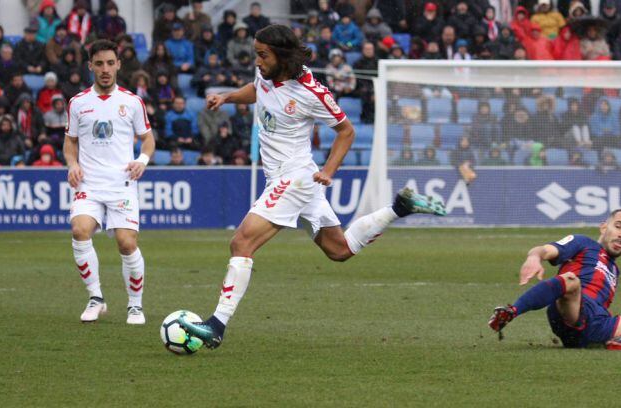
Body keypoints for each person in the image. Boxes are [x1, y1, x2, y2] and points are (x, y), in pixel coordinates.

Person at [177, 25, 446, 349]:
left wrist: (329, 169)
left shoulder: (312, 92)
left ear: (282, 55)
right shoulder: (266, 72)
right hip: (289, 179)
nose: (258, 61)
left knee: (241, 243)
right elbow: (258, 89)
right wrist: (229, 97)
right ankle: (399, 207)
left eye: (263, 55)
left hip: (295, 179)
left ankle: (216, 325)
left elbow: (345, 130)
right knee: (339, 250)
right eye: (256, 54)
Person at [488, 208, 621, 351]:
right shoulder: (583, 243)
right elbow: (545, 250)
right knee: (571, 280)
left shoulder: (614, 269)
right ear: (604, 227)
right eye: (618, 226)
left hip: (599, 325)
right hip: (571, 311)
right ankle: (511, 312)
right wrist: (534, 257)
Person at [63, 39, 155, 325]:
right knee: (80, 230)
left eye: (110, 63)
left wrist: (142, 160)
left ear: (118, 65)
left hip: (121, 184)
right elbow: (69, 143)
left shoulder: (132, 102)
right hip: (89, 184)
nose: (105, 69)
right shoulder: (78, 103)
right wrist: (72, 164)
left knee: (126, 244)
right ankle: (96, 298)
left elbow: (148, 140)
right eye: (99, 63)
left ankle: (135, 306)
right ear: (90, 66)